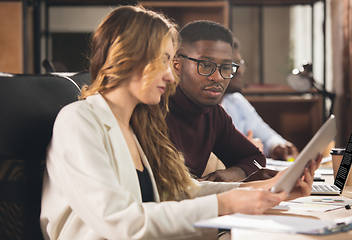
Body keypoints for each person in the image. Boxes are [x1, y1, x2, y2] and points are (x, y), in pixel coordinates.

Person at [40, 6, 320, 240]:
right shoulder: (79, 121)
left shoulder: (134, 124)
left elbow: (179, 191)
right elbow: (119, 221)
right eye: (163, 61)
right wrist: (224, 204)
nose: (171, 77)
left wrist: (268, 188)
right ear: (131, 58)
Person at [167, 20, 268, 182]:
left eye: (226, 67)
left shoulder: (213, 114)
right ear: (177, 65)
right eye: (206, 65)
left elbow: (256, 158)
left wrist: (233, 174)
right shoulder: (157, 109)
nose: (218, 77)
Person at [221, 38, 299, 161]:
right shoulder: (204, 107)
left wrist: (277, 146)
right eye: (231, 65)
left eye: (240, 64)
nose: (239, 71)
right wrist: (244, 149)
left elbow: (267, 136)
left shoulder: (236, 101)